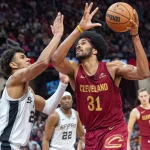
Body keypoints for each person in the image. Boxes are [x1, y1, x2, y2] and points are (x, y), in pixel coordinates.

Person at [51, 2, 150, 150]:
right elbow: (55, 60)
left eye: (83, 43)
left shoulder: (112, 68)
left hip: (114, 129)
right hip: (90, 134)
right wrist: (79, 29)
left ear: (95, 50)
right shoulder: (74, 70)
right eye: (78, 44)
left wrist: (135, 36)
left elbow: (143, 73)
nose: (78, 45)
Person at [0, 13, 69, 150]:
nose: (27, 59)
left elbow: (49, 108)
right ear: (13, 65)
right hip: (5, 145)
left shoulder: (28, 91)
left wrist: (62, 84)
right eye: (22, 57)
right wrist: (57, 36)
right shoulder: (14, 79)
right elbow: (43, 63)